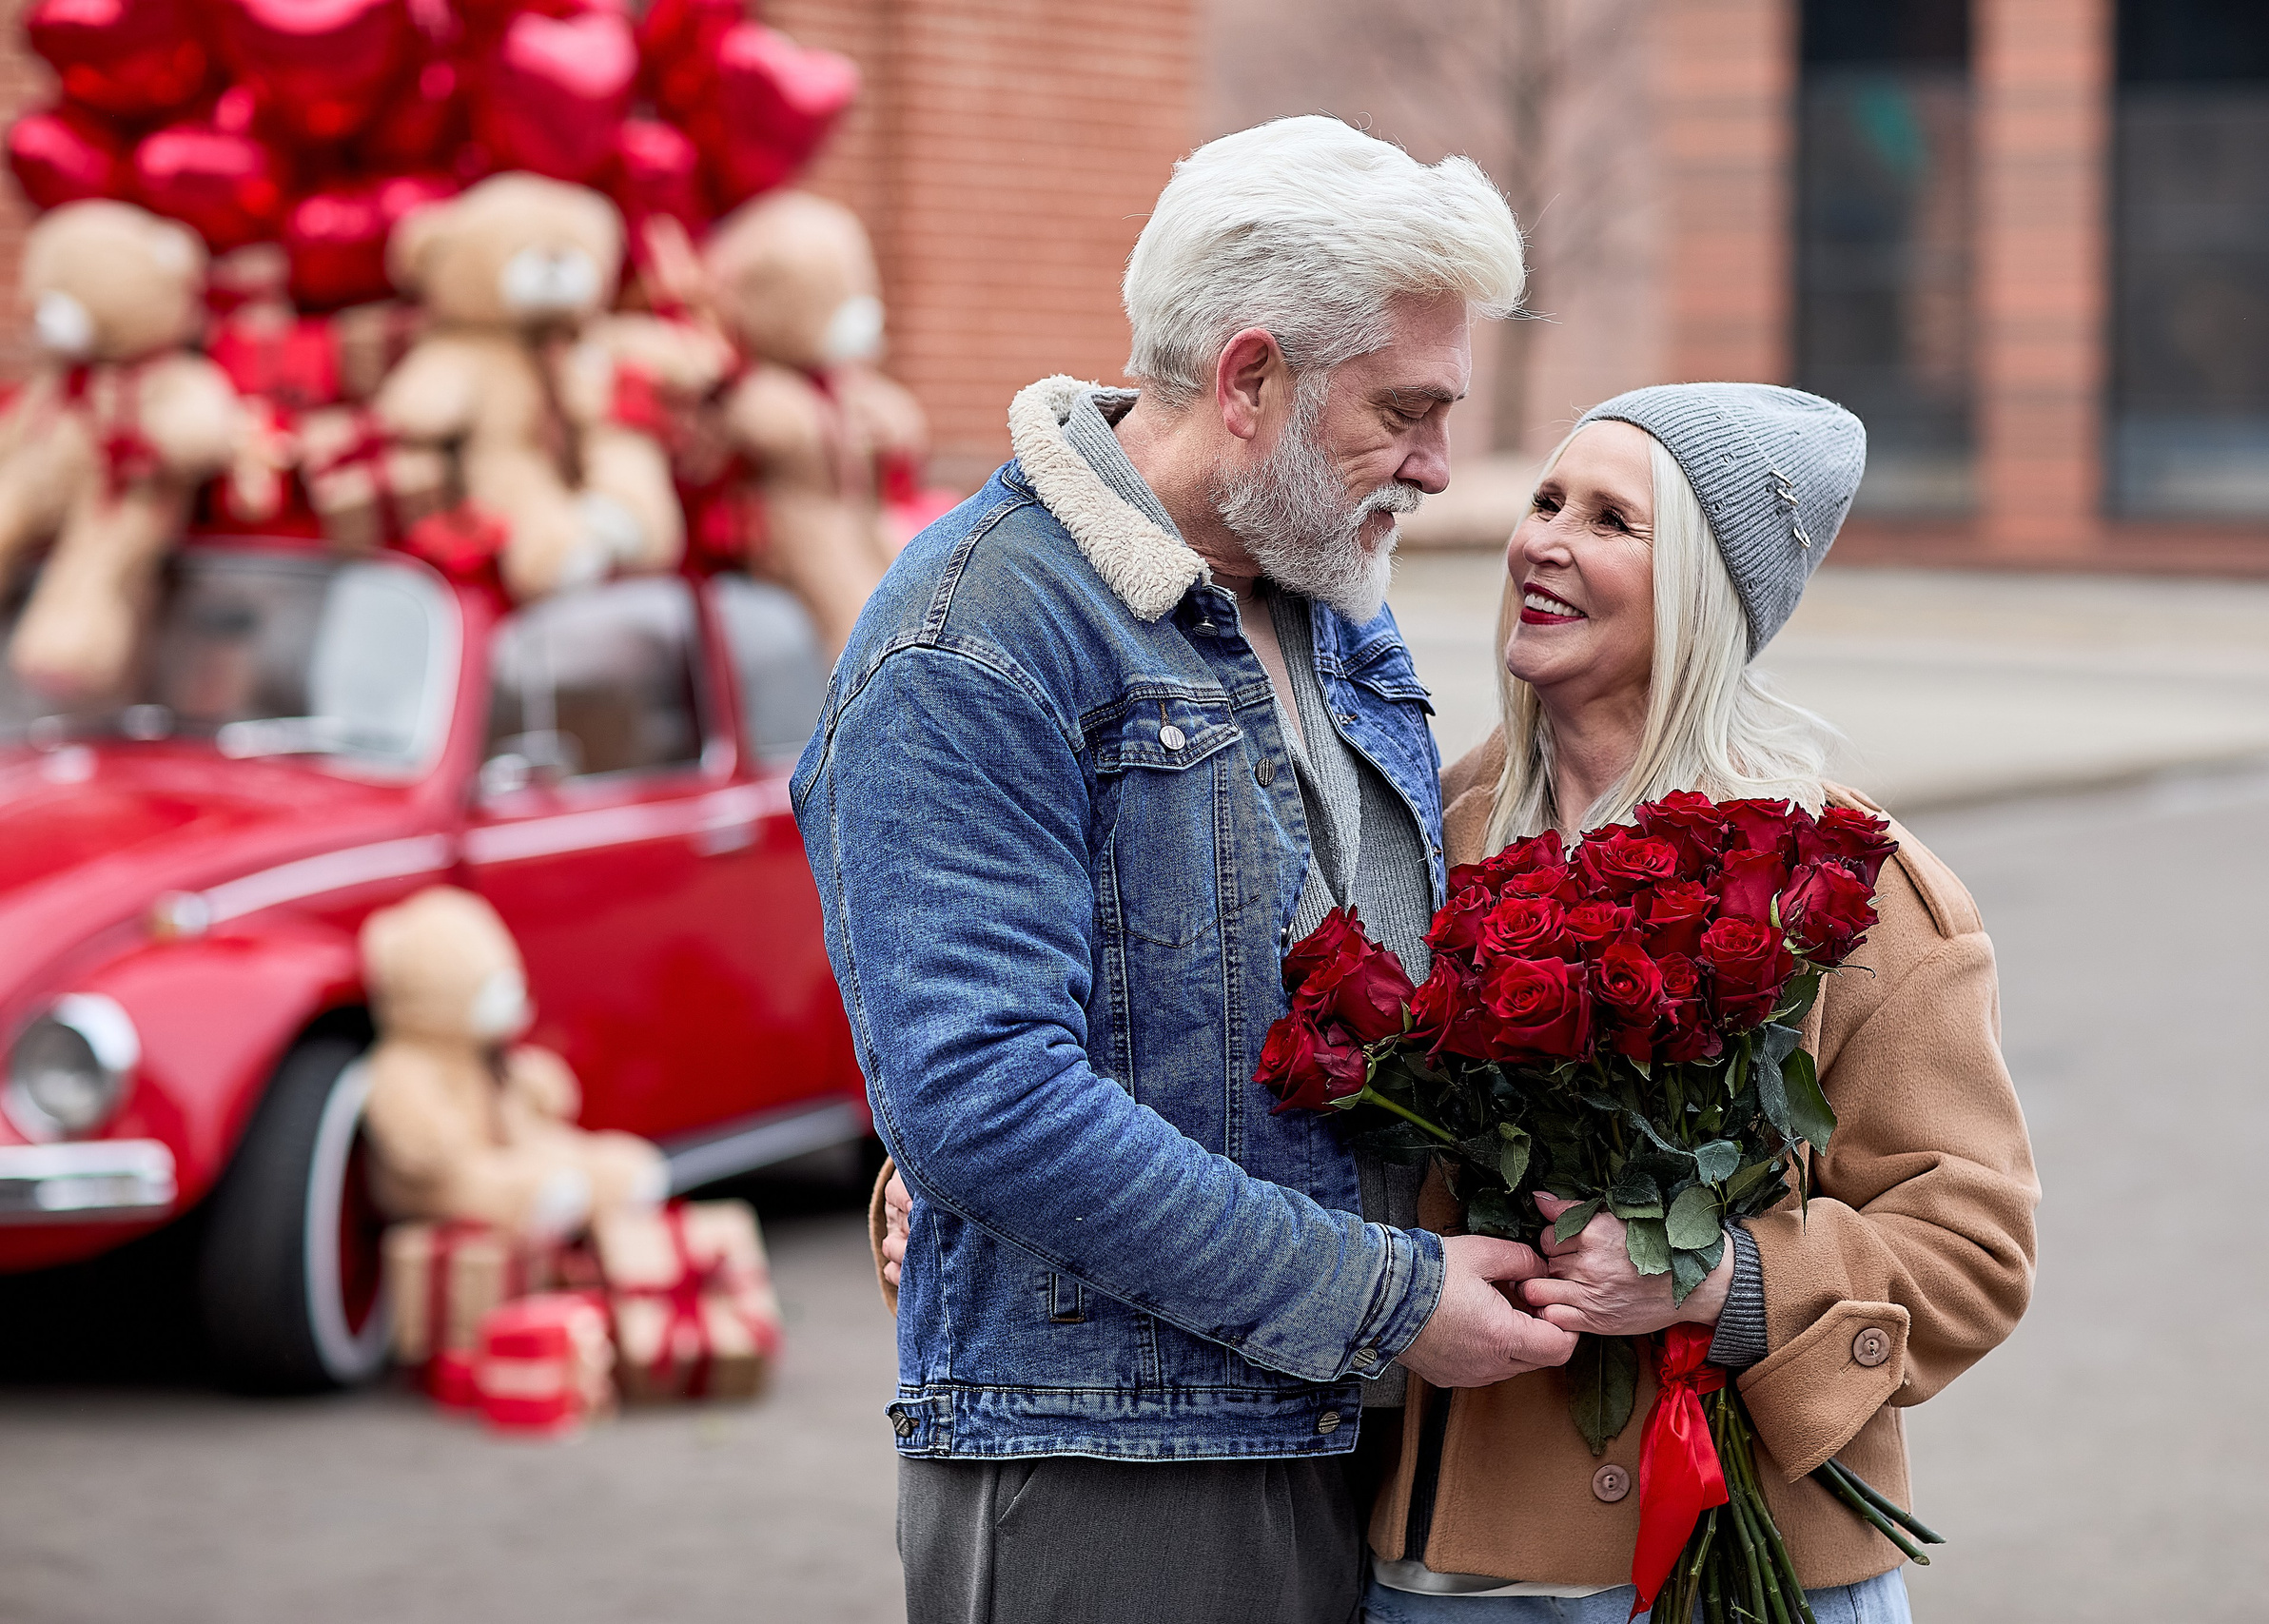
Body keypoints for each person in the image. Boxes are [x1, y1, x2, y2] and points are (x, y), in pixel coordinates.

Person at [796, 115, 1577, 1624]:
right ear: (1249, 381)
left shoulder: (1323, 580)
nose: (1437, 466)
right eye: (1405, 410)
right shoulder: (969, 642)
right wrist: (1395, 1299)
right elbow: (983, 1100)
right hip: (1118, 1471)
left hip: (1345, 1428)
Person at [1358, 386, 2040, 1620]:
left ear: (1706, 596)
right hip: (1456, 1572)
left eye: (1613, 519)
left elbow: (1972, 1252)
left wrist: (1717, 1283)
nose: (1543, 540)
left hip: (1747, 1561)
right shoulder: (1423, 832)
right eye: (1549, 499)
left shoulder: (1851, 889)